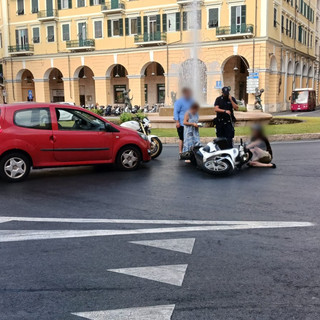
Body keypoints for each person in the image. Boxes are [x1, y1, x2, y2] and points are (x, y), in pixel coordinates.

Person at [174, 88, 194, 158]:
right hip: (182, 123)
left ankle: (189, 153)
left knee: (189, 138)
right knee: (181, 138)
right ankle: (181, 153)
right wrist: (177, 122)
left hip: (190, 123)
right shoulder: (179, 102)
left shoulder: (192, 101)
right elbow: (175, 112)